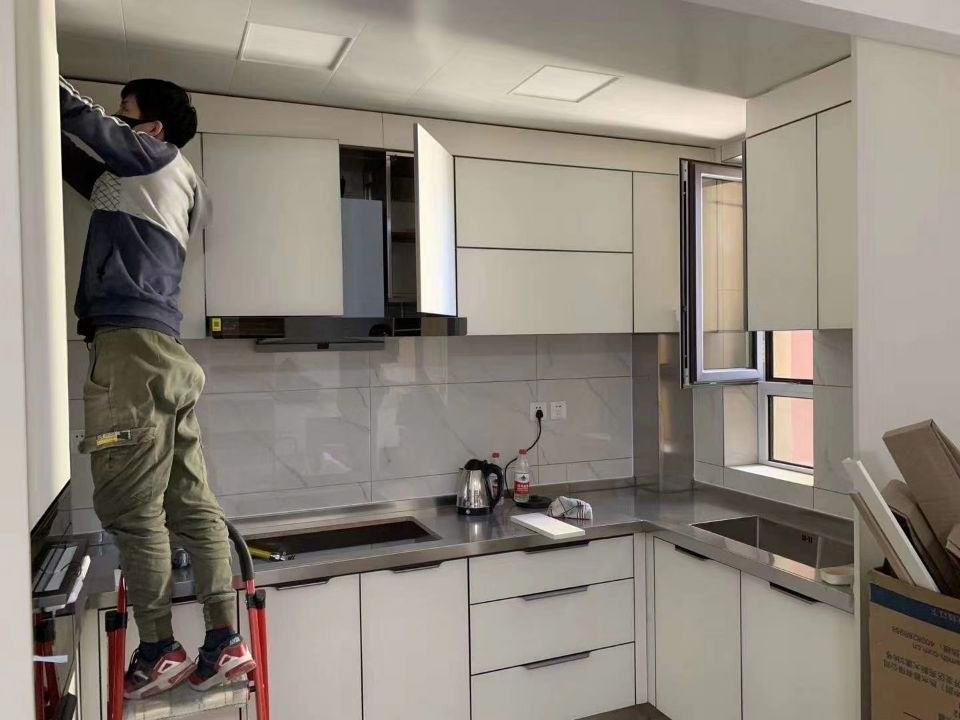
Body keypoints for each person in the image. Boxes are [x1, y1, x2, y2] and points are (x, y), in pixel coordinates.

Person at [59, 76, 255, 700]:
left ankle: (157, 649)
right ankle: (225, 641)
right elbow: (81, 168)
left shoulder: (152, 157)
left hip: (128, 349)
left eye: (125, 115)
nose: (115, 123)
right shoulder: (167, 180)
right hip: (164, 350)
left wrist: (33, 78)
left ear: (151, 130)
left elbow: (83, 121)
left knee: (131, 510)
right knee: (191, 505)